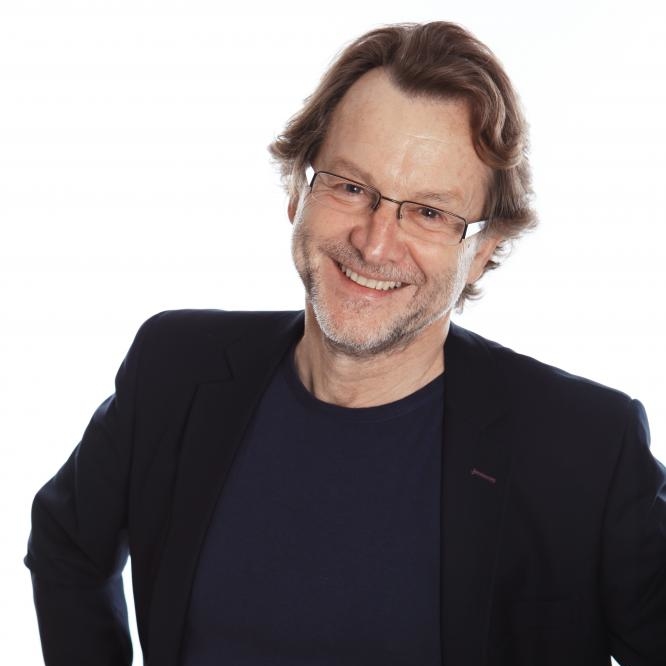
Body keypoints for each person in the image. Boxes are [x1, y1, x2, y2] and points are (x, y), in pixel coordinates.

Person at [25, 21, 666, 666]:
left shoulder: (584, 448)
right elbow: (66, 542)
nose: (375, 243)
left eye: (430, 212)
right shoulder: (176, 366)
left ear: (482, 251)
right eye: (352, 187)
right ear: (297, 192)